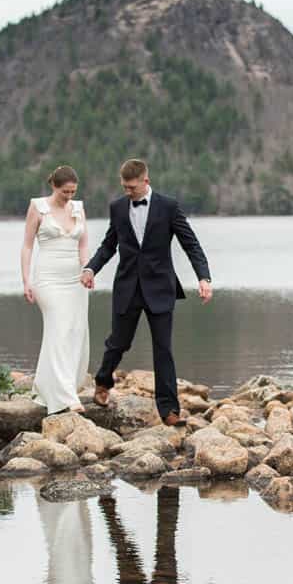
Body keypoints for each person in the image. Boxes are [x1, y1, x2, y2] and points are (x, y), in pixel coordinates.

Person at [80, 158, 211, 425]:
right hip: (127, 287)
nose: (128, 192)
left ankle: (169, 410)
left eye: (132, 188)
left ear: (145, 181)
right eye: (125, 187)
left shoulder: (168, 207)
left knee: (163, 349)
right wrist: (91, 268)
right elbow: (108, 246)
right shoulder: (117, 208)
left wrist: (203, 277)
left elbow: (191, 244)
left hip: (160, 288)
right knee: (118, 343)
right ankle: (103, 381)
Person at [21, 165, 90, 414]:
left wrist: (87, 269)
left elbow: (83, 246)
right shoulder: (38, 207)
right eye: (64, 192)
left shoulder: (79, 208)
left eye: (72, 191)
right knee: (59, 328)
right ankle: (67, 398)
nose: (69, 196)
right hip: (47, 278)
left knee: (74, 331)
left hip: (75, 280)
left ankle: (49, 387)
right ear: (53, 186)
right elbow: (27, 246)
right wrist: (26, 280)